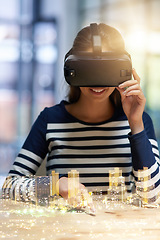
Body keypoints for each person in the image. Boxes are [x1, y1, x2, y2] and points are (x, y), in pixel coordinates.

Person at [3, 23, 160, 203]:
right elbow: (8, 188)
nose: (97, 82)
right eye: (89, 68)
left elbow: (153, 197)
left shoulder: (139, 120)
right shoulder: (50, 120)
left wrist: (136, 124)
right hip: (64, 230)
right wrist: (55, 185)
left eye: (106, 69)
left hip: (121, 229)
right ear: (72, 69)